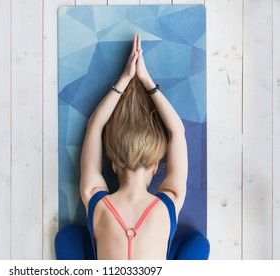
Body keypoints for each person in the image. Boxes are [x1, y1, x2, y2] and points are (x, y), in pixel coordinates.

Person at [55, 34, 209, 260]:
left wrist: (124, 80)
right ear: (155, 166)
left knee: (67, 236)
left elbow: (94, 126)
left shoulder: (97, 201)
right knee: (198, 243)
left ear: (114, 165)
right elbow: (177, 130)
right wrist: (147, 81)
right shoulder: (169, 204)